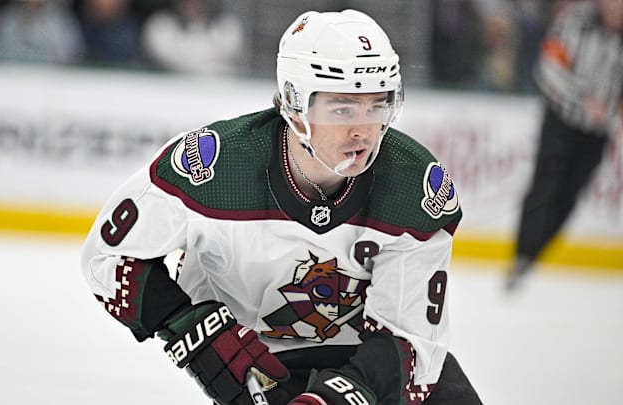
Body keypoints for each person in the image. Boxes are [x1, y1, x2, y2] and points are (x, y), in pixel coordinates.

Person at [81, 9, 482, 405]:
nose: (363, 129)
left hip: (371, 368)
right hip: (262, 366)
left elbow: (409, 349)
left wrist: (330, 399)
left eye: (377, 105)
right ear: (293, 103)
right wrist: (195, 332)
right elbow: (108, 256)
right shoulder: (212, 168)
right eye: (342, 108)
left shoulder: (414, 186)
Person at [505, 0, 623, 290]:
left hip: (597, 131)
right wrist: (583, 102)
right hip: (561, 120)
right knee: (545, 185)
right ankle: (523, 253)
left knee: (569, 194)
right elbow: (550, 68)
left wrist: (606, 111)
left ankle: (534, 252)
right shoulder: (575, 20)